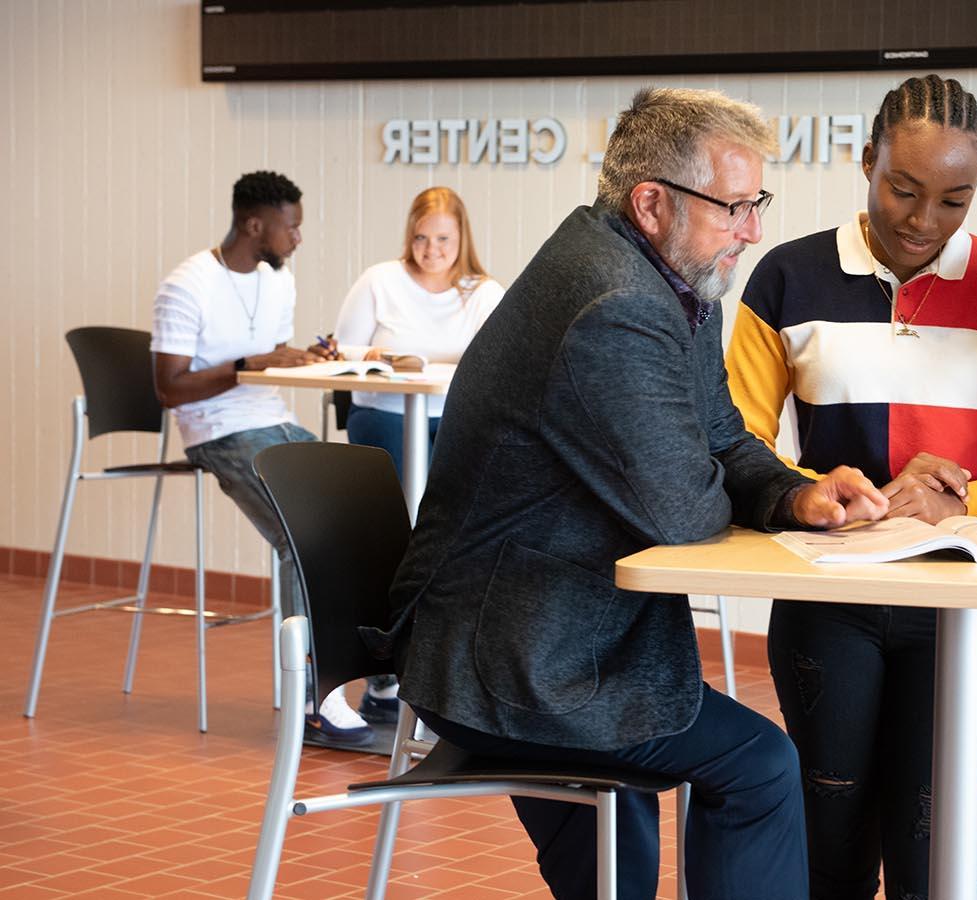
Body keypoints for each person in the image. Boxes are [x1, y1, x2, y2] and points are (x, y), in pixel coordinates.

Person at [372, 88, 890, 900]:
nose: (752, 230)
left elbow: (719, 439)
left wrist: (796, 496)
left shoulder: (674, 280)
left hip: (553, 630)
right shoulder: (614, 303)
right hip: (512, 655)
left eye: (757, 204)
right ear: (651, 203)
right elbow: (682, 512)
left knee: (634, 830)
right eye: (734, 207)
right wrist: (714, 480)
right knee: (758, 769)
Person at [725, 74, 977, 900]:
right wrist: (813, 490)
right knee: (829, 851)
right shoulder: (786, 278)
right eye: (902, 189)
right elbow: (734, 441)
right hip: (825, 600)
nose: (922, 220)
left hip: (954, 606)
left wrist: (966, 500)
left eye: (955, 199)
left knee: (932, 856)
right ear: (866, 159)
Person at [150, 170, 376, 747]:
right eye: (291, 227)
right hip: (218, 433)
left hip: (272, 420)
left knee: (366, 507)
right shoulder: (187, 284)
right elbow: (169, 389)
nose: (298, 238)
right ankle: (312, 696)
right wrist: (247, 366)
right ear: (255, 225)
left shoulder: (279, 282)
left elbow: (266, 362)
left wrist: (300, 358)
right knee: (304, 536)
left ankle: (380, 677)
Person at [332, 186, 506, 727]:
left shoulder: (483, 291)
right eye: (422, 238)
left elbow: (494, 356)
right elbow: (342, 349)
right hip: (382, 416)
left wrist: (428, 359)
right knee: (394, 541)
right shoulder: (380, 281)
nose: (431, 249)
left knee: (450, 545)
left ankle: (432, 681)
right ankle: (384, 676)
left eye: (444, 240)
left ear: (462, 240)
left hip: (454, 424)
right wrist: (387, 356)